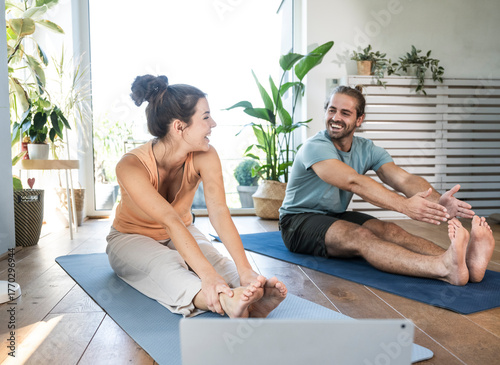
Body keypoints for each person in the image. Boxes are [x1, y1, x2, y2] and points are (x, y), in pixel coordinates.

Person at [106, 75, 287, 318]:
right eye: (205, 117)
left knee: (214, 259)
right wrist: (208, 277)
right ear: (179, 126)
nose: (213, 123)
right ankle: (227, 302)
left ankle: (252, 292)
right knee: (168, 266)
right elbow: (169, 219)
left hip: (183, 229)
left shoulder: (205, 154)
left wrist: (244, 270)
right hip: (130, 237)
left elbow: (219, 213)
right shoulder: (130, 166)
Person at [279, 85, 495, 286]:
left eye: (345, 113)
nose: (335, 118)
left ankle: (465, 263)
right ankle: (443, 268)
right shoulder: (314, 147)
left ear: (359, 119)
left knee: (390, 230)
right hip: (297, 221)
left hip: (333, 215)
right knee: (360, 236)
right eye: (331, 110)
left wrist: (437, 202)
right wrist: (404, 206)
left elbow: (403, 179)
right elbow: (353, 181)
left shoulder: (366, 148)